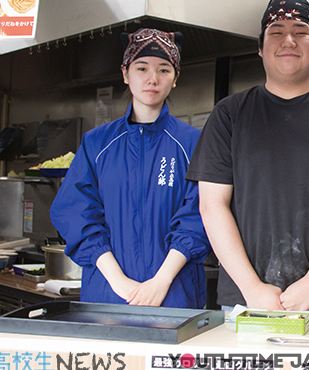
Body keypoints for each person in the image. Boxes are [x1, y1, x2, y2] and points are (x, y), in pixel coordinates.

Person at [186, 0, 309, 311]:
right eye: (276, 31)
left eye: (300, 31)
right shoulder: (229, 115)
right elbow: (212, 206)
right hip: (245, 302)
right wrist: (252, 288)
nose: (288, 40)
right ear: (261, 47)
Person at [50, 28, 210, 308]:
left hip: (174, 295)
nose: (152, 78)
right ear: (125, 74)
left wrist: (161, 282)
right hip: (108, 296)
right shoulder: (96, 143)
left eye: (164, 70)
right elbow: (75, 212)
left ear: (175, 79)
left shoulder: (193, 143)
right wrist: (118, 281)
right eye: (142, 68)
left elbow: (201, 215)